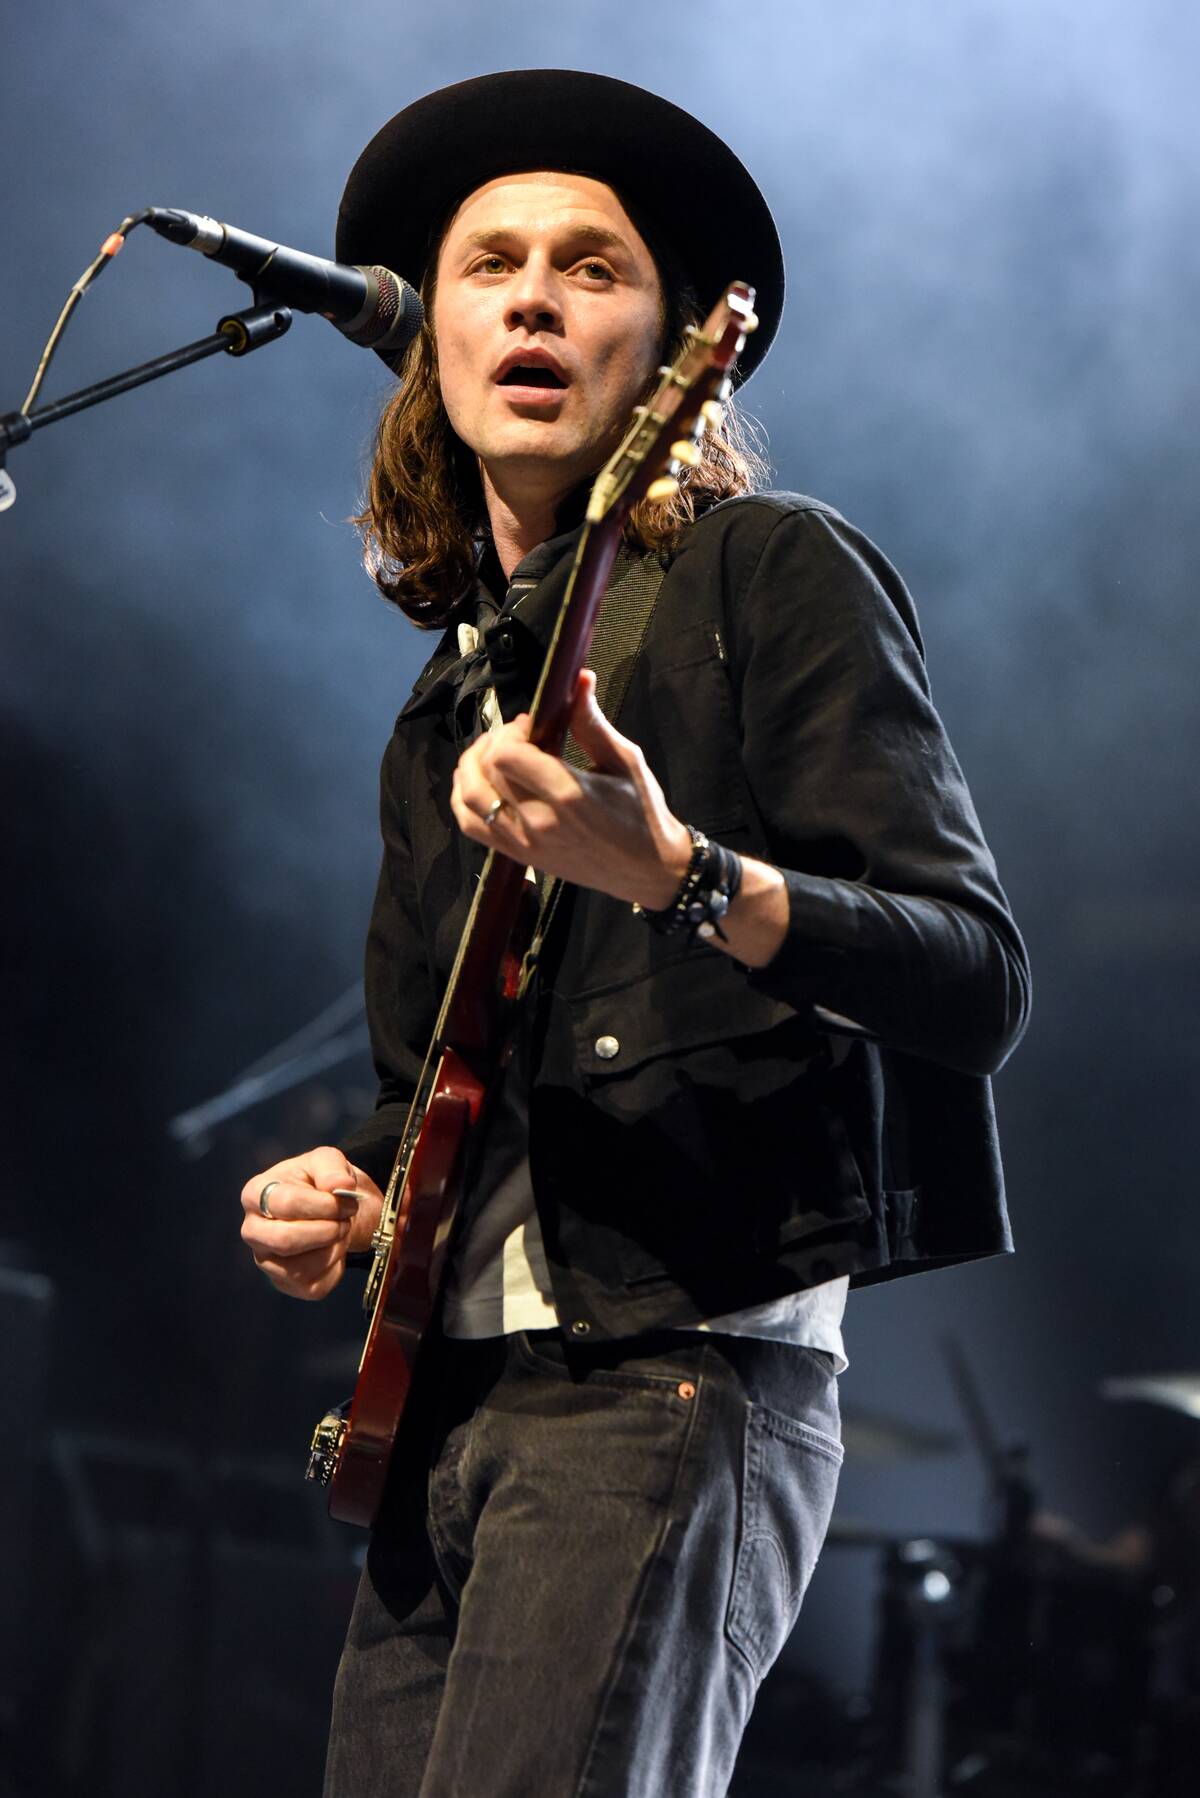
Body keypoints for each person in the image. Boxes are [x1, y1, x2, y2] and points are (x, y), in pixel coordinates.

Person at [238, 70, 1030, 1798]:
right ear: (424, 339)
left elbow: (972, 975)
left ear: (683, 351)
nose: (534, 292)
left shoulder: (771, 572)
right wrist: (356, 1186)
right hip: (441, 1406)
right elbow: (436, 1087)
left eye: (593, 267)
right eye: (491, 262)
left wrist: (677, 869)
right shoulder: (438, 714)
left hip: (671, 1381)